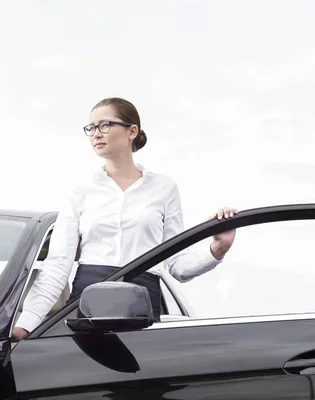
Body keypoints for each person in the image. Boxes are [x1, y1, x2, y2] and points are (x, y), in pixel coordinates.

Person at [12, 97, 237, 341]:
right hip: (87, 306)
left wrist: (217, 249)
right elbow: (58, 264)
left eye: (105, 125)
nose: (96, 134)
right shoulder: (82, 191)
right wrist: (27, 323)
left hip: (142, 309)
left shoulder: (164, 187)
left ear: (132, 131)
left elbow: (177, 266)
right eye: (91, 128)